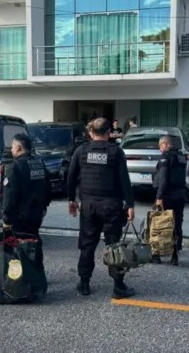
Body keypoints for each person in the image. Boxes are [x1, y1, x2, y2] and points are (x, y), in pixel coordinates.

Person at [66, 117, 136, 299]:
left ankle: (84, 284)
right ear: (109, 133)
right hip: (111, 206)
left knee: (87, 245)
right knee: (114, 246)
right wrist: (130, 204)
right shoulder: (116, 152)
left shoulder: (81, 151)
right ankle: (118, 287)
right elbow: (124, 180)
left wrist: (71, 199)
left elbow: (71, 177)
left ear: (91, 133)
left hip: (88, 205)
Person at [1, 133, 51, 269]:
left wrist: (6, 218)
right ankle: (37, 272)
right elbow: (48, 188)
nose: (11, 150)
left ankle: (22, 276)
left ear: (18, 148)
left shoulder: (14, 167)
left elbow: (10, 196)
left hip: (20, 216)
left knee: (19, 246)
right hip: (37, 213)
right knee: (34, 241)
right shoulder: (40, 164)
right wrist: (44, 207)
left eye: (12, 147)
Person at [153, 135, 187, 266]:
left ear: (165, 144)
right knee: (177, 225)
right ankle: (175, 255)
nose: (160, 149)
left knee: (159, 224)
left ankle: (156, 254)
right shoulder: (181, 157)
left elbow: (163, 179)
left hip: (167, 195)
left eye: (160, 146)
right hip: (180, 195)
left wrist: (159, 197)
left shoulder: (165, 156)